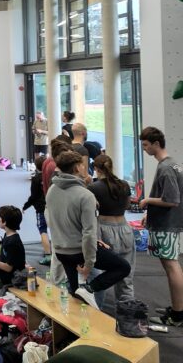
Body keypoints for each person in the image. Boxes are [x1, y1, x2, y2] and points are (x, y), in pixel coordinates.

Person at [46, 150, 131, 309]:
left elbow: (55, 221)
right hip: (79, 251)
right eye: (83, 164)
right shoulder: (85, 195)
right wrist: (89, 264)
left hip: (61, 251)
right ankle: (90, 289)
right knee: (123, 267)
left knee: (75, 294)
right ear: (77, 167)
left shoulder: (52, 191)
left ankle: (75, 325)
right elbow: (89, 232)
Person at [139, 126, 183, 326]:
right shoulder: (171, 164)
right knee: (171, 265)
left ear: (156, 144)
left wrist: (148, 200)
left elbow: (172, 200)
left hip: (167, 225)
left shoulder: (166, 167)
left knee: (171, 266)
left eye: (146, 145)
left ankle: (178, 314)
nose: (145, 149)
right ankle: (177, 307)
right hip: (168, 222)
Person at [88, 154, 135, 304]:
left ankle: (97, 308)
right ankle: (127, 315)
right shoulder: (124, 185)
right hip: (125, 229)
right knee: (126, 274)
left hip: (103, 230)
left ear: (96, 169)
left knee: (98, 272)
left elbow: (90, 207)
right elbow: (127, 205)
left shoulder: (93, 188)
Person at [22, 155, 52, 266]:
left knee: (43, 230)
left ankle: (48, 255)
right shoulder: (51, 177)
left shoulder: (35, 179)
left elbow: (33, 196)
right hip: (53, 206)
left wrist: (25, 206)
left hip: (41, 208)